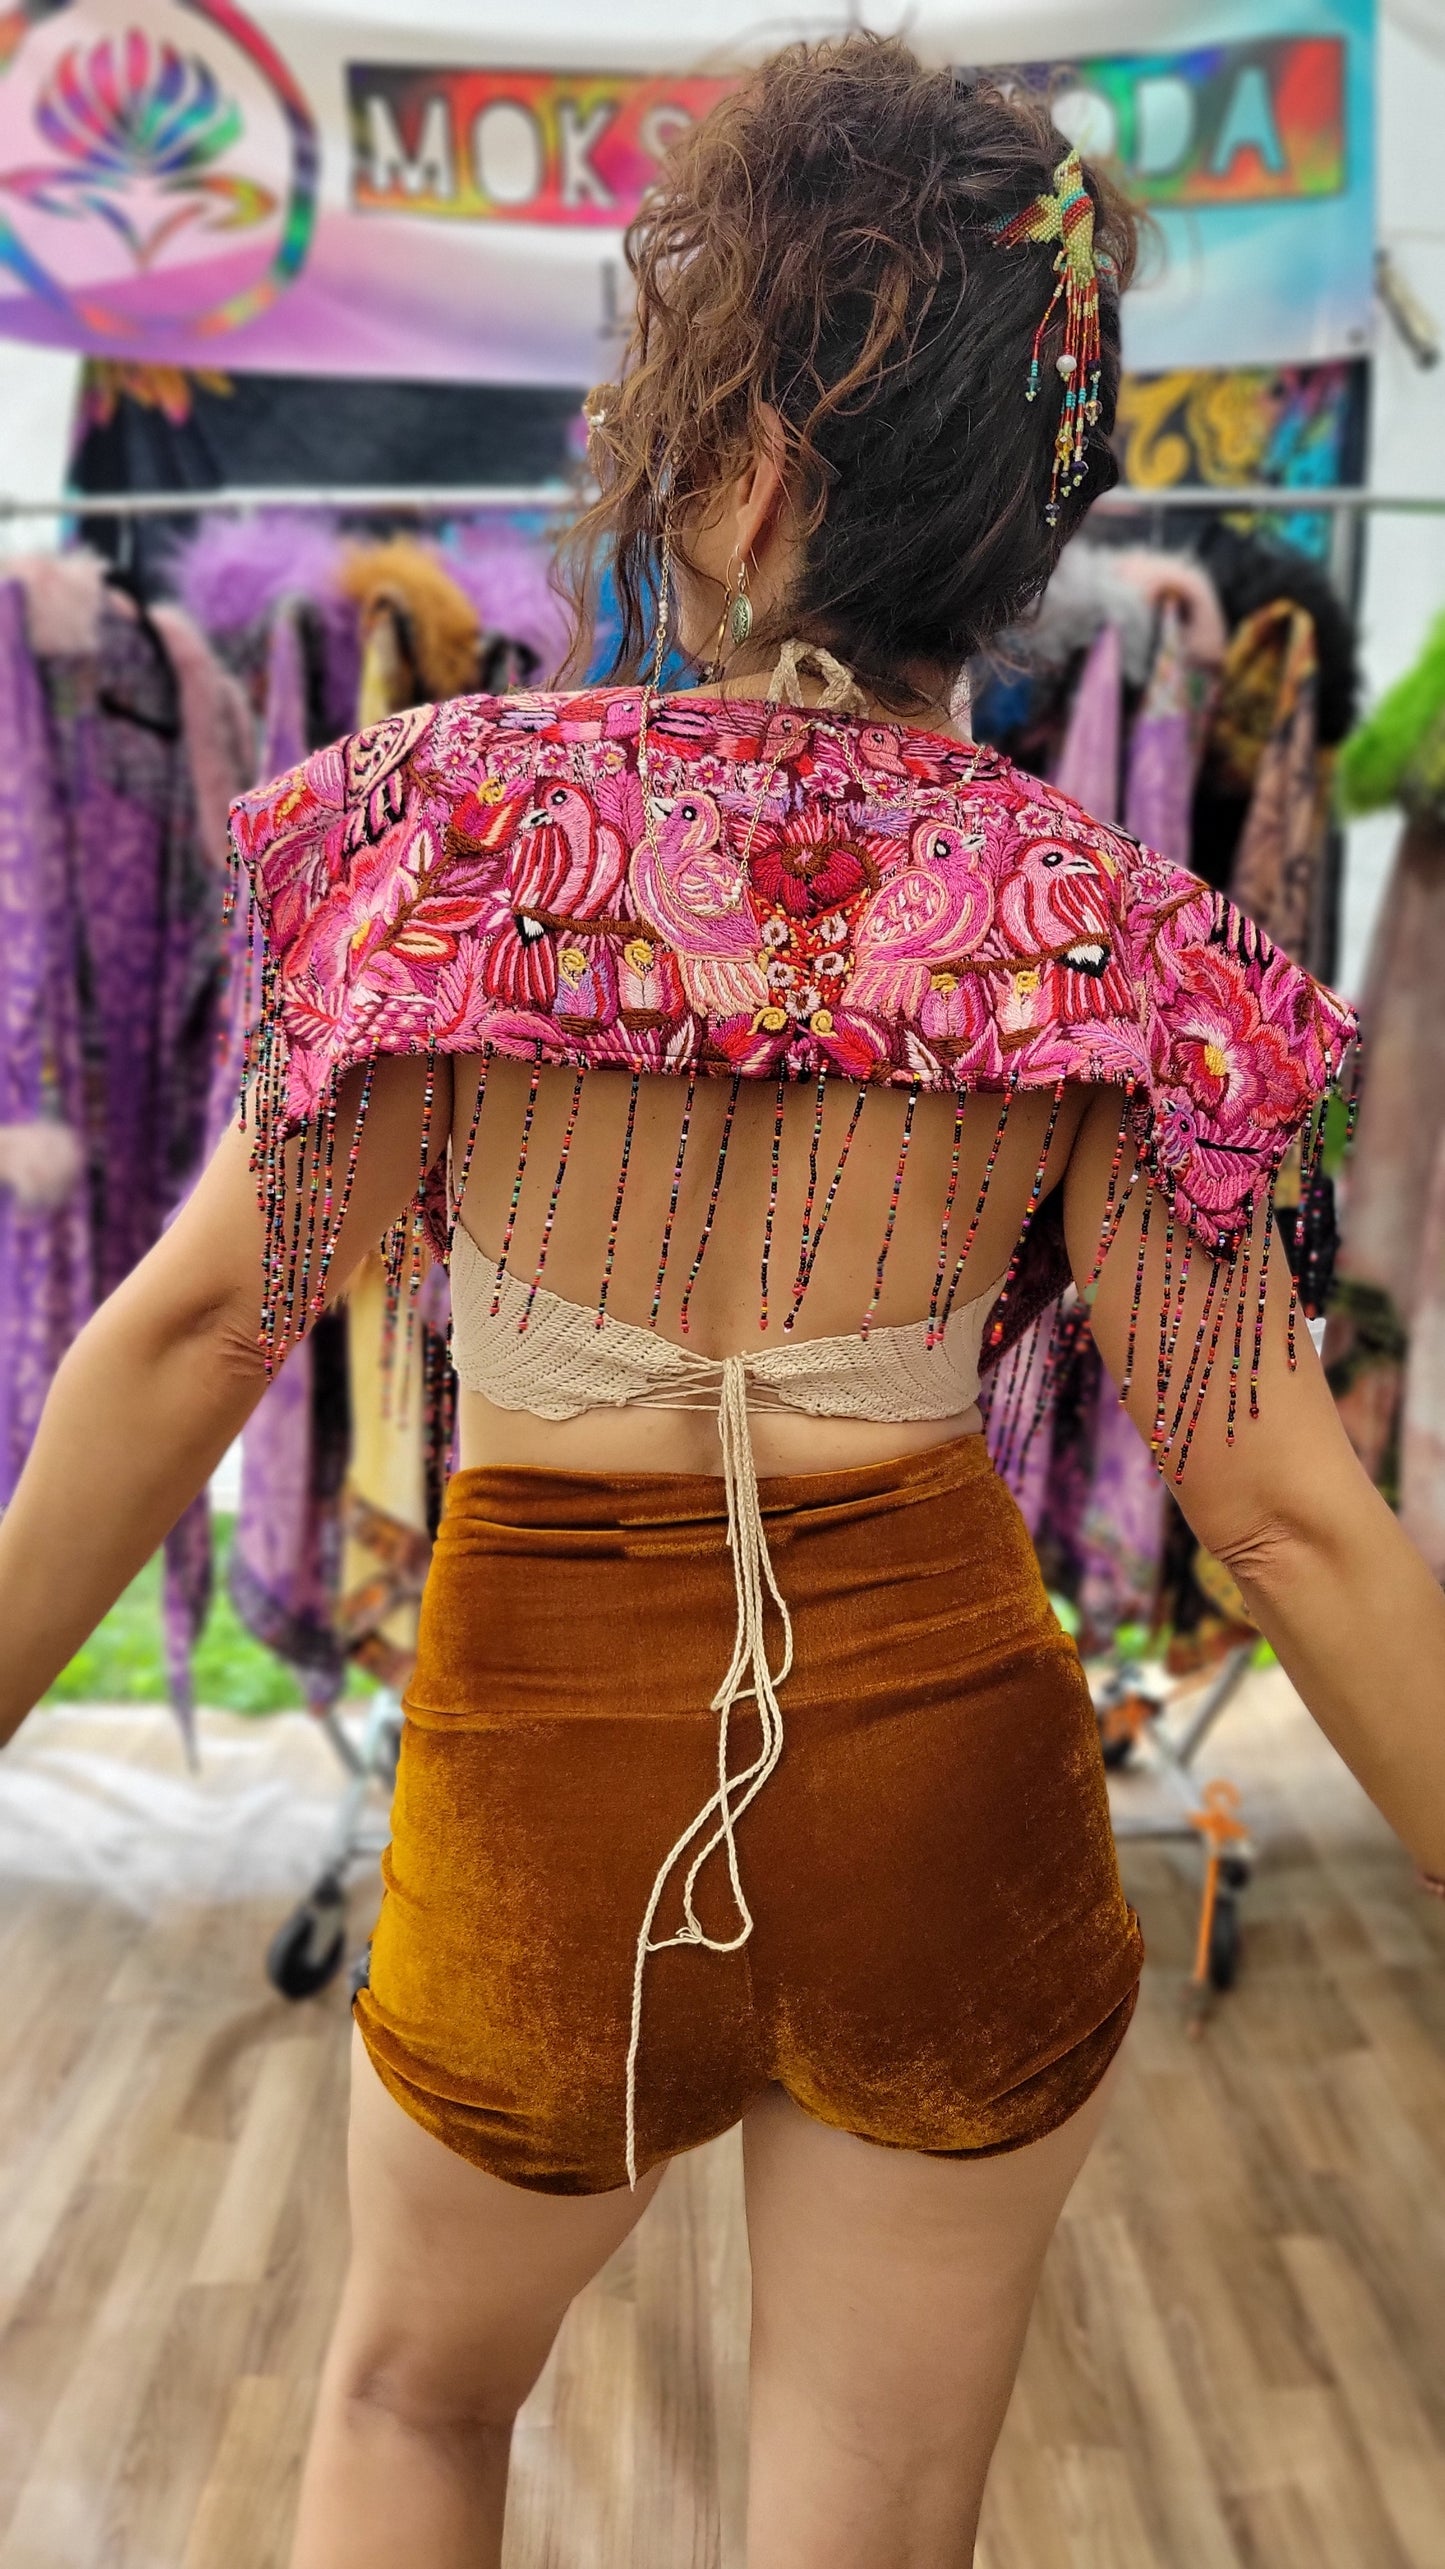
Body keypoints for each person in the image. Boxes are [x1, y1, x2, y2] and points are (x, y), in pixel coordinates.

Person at [2, 39, 1442, 2569]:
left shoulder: (460, 847)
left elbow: (193, 1335)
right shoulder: (1113, 940)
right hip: (952, 1809)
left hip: (543, 1810)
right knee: (866, 2522)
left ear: (752, 473)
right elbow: (1297, 1525)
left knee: (414, 2406)